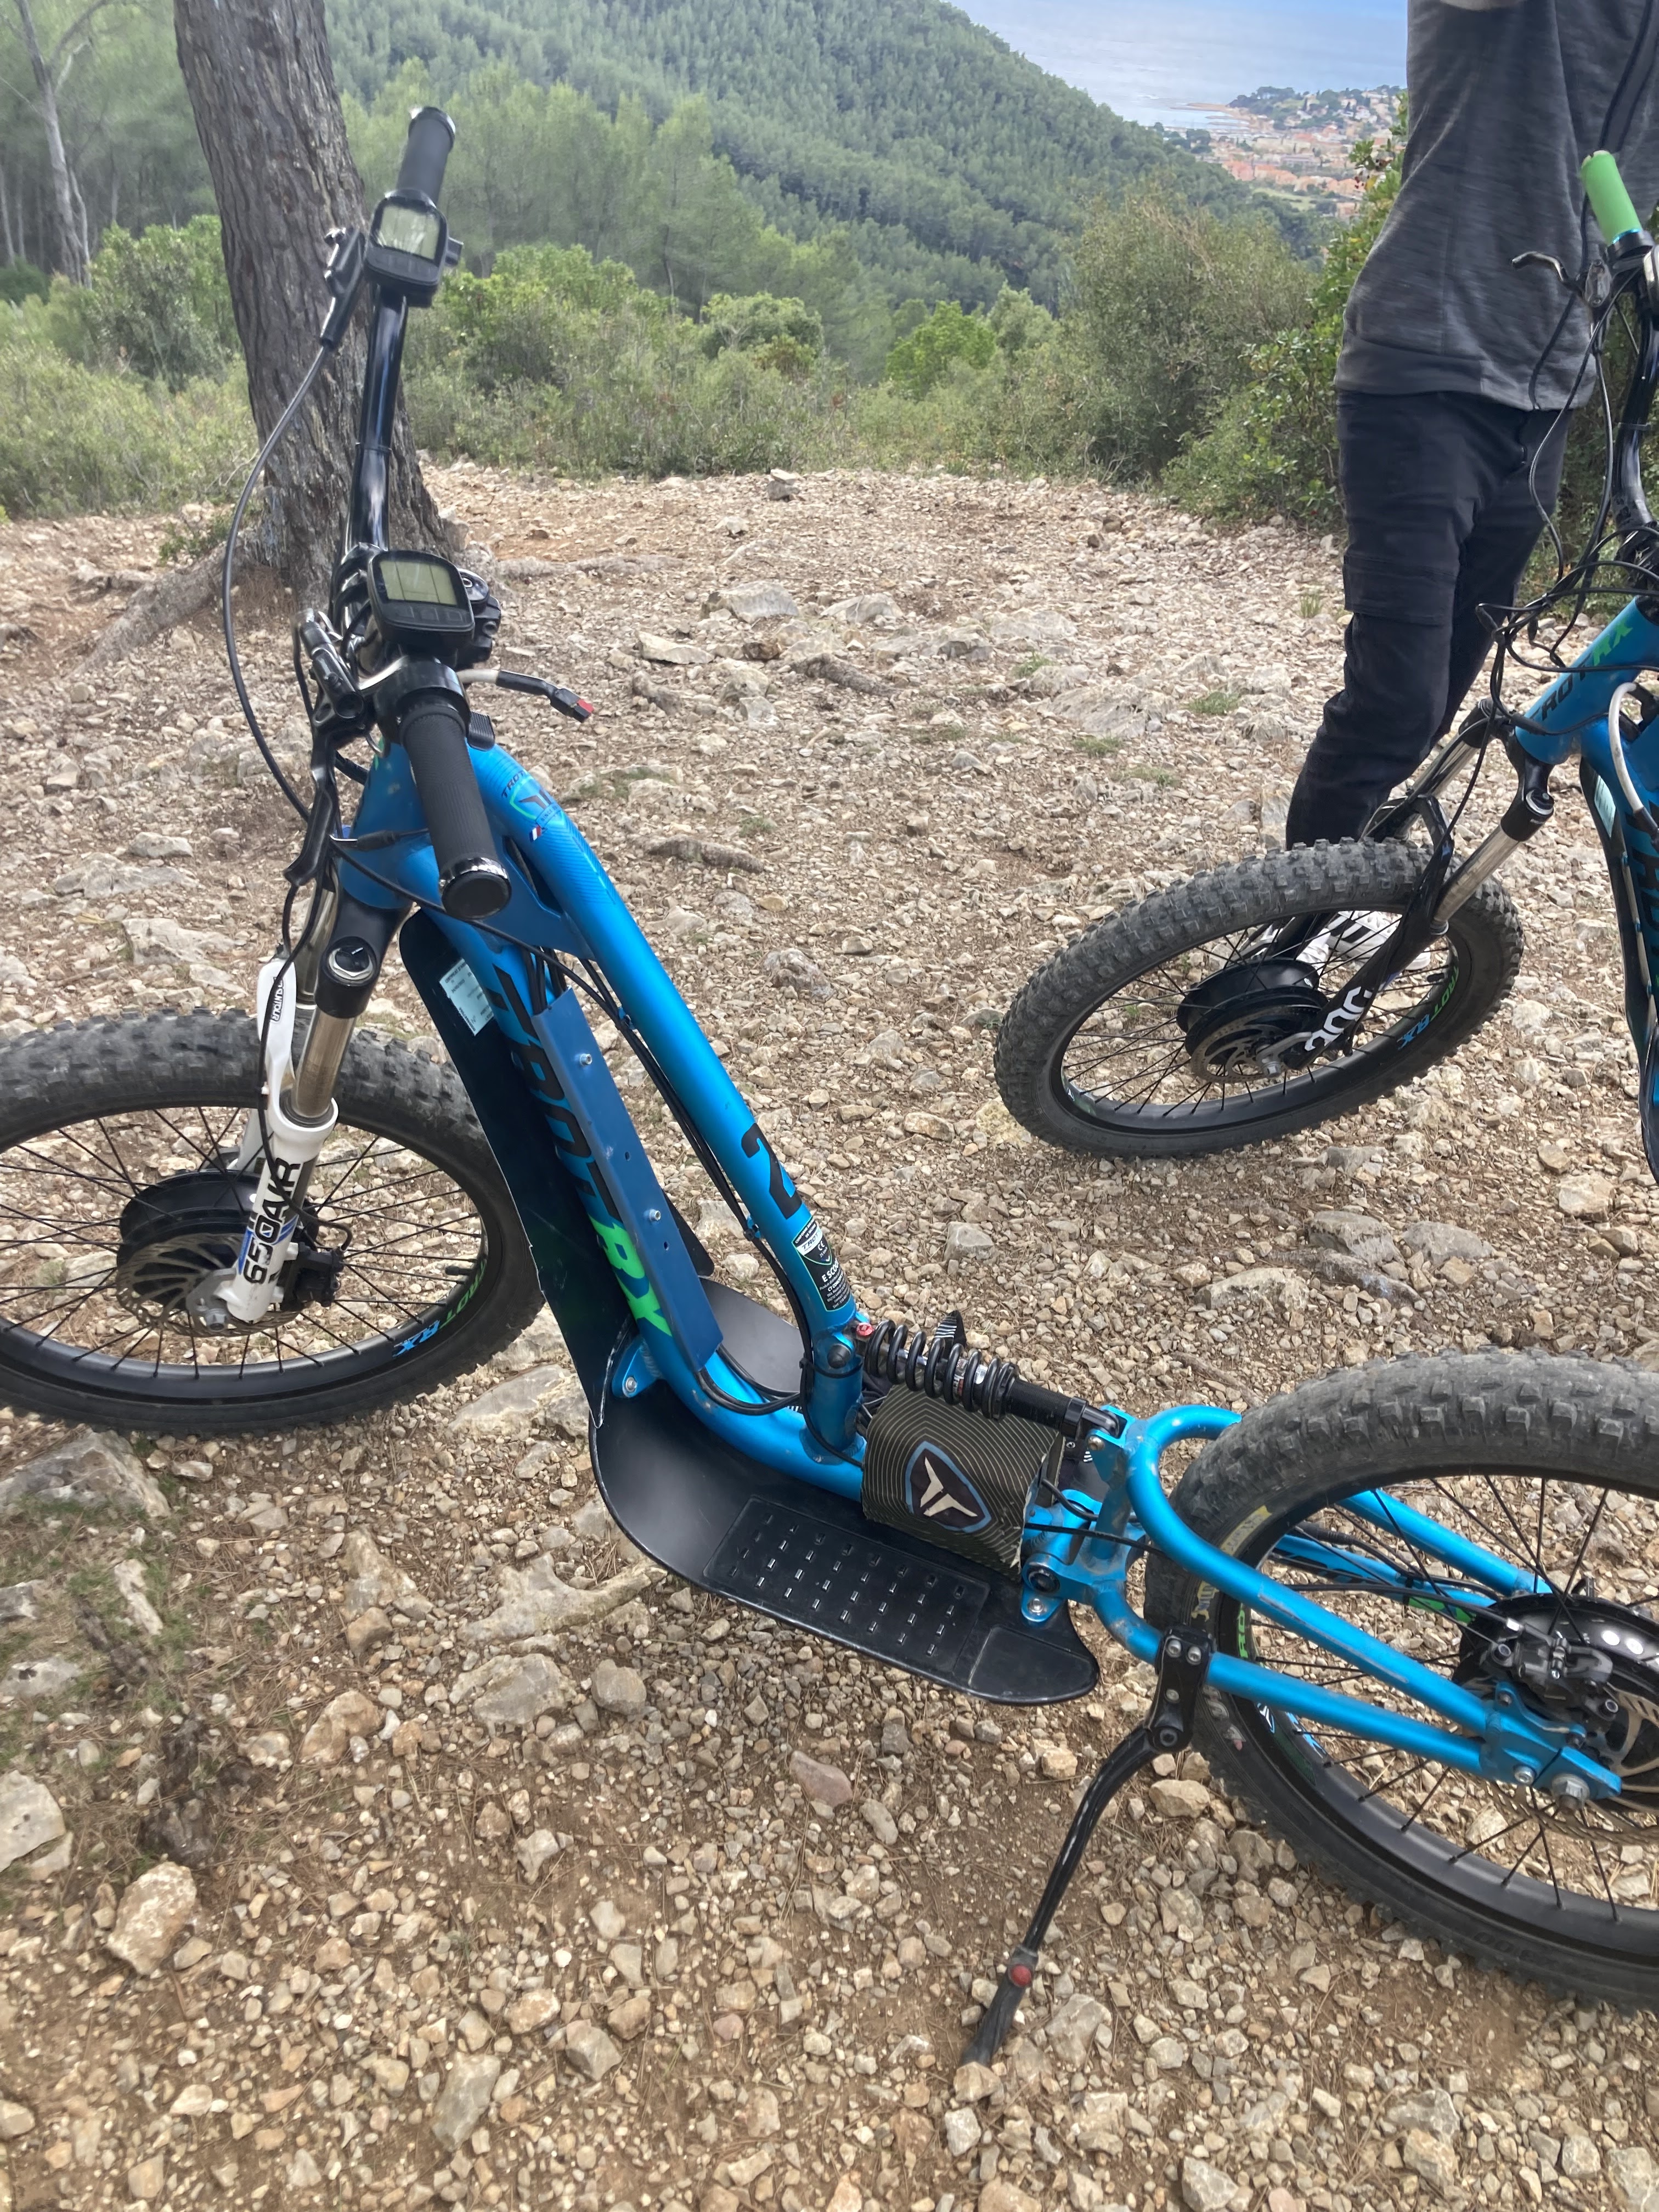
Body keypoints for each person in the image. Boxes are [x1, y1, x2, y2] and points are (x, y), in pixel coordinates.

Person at [1284, 0, 1659, 854]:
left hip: (1551, 399)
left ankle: (1349, 891)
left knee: (1438, 695)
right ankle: (1291, 930)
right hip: (1424, 372)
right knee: (1394, 703)